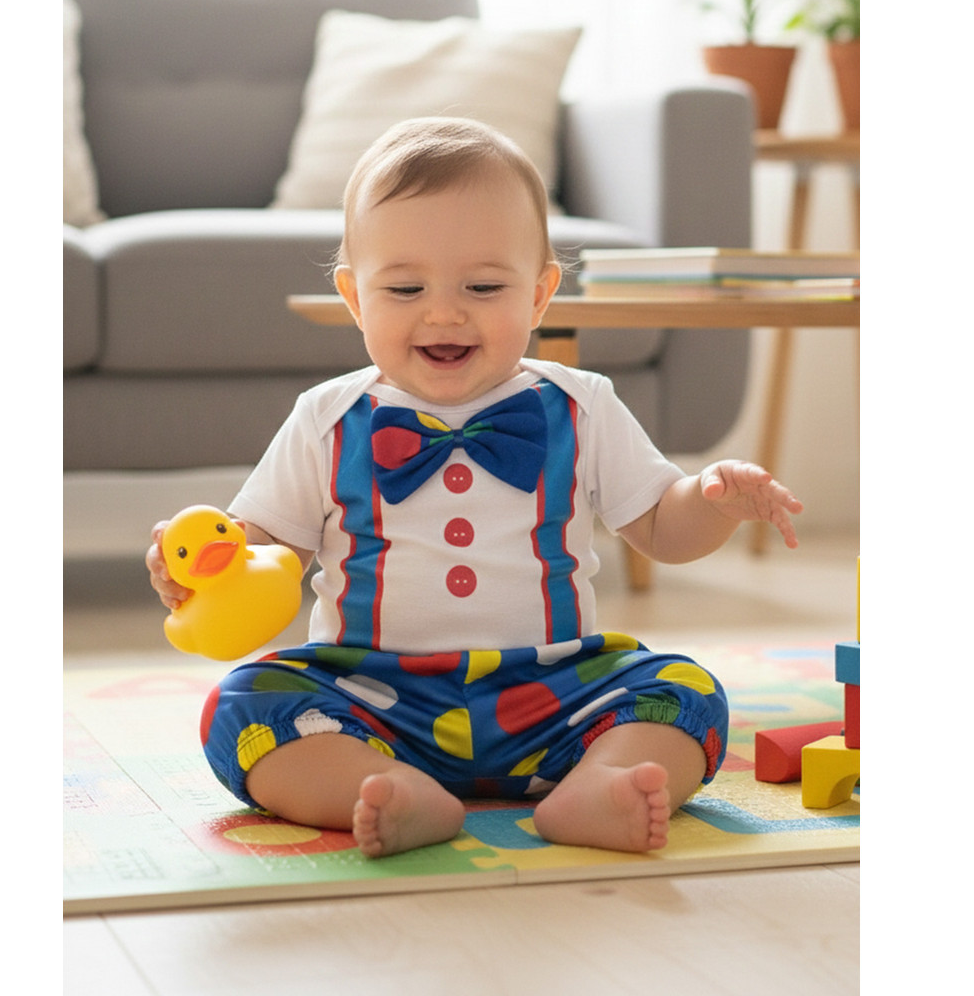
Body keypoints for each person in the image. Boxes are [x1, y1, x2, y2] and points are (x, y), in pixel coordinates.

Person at [147, 117, 803, 859]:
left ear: (540, 294)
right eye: (405, 288)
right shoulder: (326, 419)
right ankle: (383, 788)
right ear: (355, 298)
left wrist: (712, 499)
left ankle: (600, 786)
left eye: (484, 286)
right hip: (372, 700)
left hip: (554, 694)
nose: (444, 312)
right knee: (243, 707)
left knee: (685, 692)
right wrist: (207, 566)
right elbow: (266, 551)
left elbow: (660, 527)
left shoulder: (581, 406)